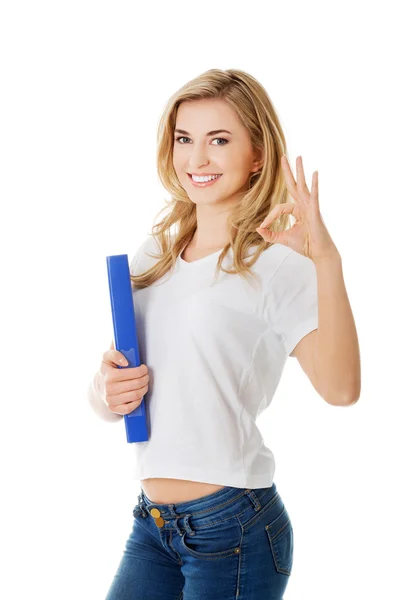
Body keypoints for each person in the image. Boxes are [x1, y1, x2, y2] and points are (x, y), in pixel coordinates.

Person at [88, 68, 361, 600]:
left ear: (257, 154)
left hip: (233, 526)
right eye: (184, 139)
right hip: (153, 524)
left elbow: (342, 389)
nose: (197, 159)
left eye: (219, 140)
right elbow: (119, 389)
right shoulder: (154, 253)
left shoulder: (278, 264)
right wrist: (105, 391)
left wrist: (326, 260)